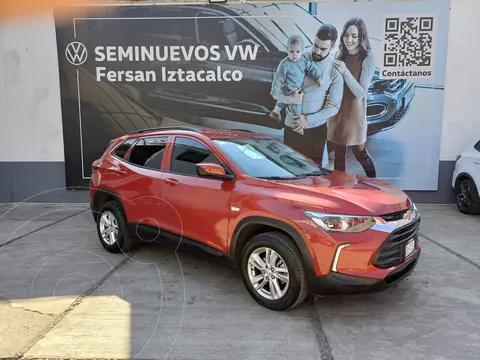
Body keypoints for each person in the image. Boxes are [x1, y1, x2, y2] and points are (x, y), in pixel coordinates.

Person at [270, 24, 344, 166]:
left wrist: (308, 120)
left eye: (323, 49)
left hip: (317, 130)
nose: (317, 51)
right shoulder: (295, 58)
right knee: (290, 172)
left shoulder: (335, 71)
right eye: (315, 45)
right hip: (292, 126)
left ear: (332, 47)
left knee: (313, 176)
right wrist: (289, 99)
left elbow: (334, 107)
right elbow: (275, 92)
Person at [326, 17, 377, 177]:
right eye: (346, 35)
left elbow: (360, 92)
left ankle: (375, 186)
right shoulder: (339, 55)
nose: (349, 40)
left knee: (361, 154)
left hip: (354, 115)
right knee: (338, 155)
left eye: (354, 36)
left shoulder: (368, 57)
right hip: (337, 112)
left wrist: (344, 71)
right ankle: (341, 193)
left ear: (361, 37)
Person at [269, 35, 323, 123]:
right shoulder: (284, 64)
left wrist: (318, 78)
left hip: (296, 88)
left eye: (298, 51)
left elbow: (311, 69)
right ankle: (296, 122)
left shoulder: (303, 61)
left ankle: (275, 112)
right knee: (296, 106)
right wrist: (275, 91)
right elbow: (278, 79)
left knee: (282, 103)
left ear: (302, 51)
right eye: (291, 51)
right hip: (288, 89)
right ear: (287, 50)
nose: (295, 54)